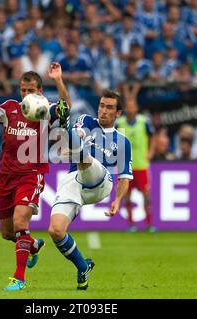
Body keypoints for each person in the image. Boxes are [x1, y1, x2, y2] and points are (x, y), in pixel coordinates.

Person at [0, 62, 71, 291]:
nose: (26, 94)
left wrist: (58, 80)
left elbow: (66, 107)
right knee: (8, 233)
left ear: (39, 91)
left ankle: (19, 279)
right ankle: (33, 246)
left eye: (30, 90)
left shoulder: (46, 110)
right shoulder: (9, 108)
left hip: (31, 174)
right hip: (6, 176)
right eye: (23, 90)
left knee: (20, 223)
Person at [48, 90, 133, 290]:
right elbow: (79, 133)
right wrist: (70, 142)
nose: (103, 110)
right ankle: (83, 266)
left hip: (101, 182)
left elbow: (124, 177)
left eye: (109, 107)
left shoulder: (122, 142)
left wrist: (118, 200)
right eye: (102, 105)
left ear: (118, 113)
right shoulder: (87, 120)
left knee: (84, 156)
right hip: (75, 180)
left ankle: (63, 121)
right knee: (56, 230)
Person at [116, 98, 156, 233]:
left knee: (145, 195)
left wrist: (150, 152)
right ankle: (131, 224)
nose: (130, 109)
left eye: (133, 106)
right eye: (128, 106)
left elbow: (152, 137)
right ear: (125, 109)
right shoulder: (119, 123)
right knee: (126, 195)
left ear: (136, 108)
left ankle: (149, 224)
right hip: (125, 166)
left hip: (141, 165)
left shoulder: (144, 122)